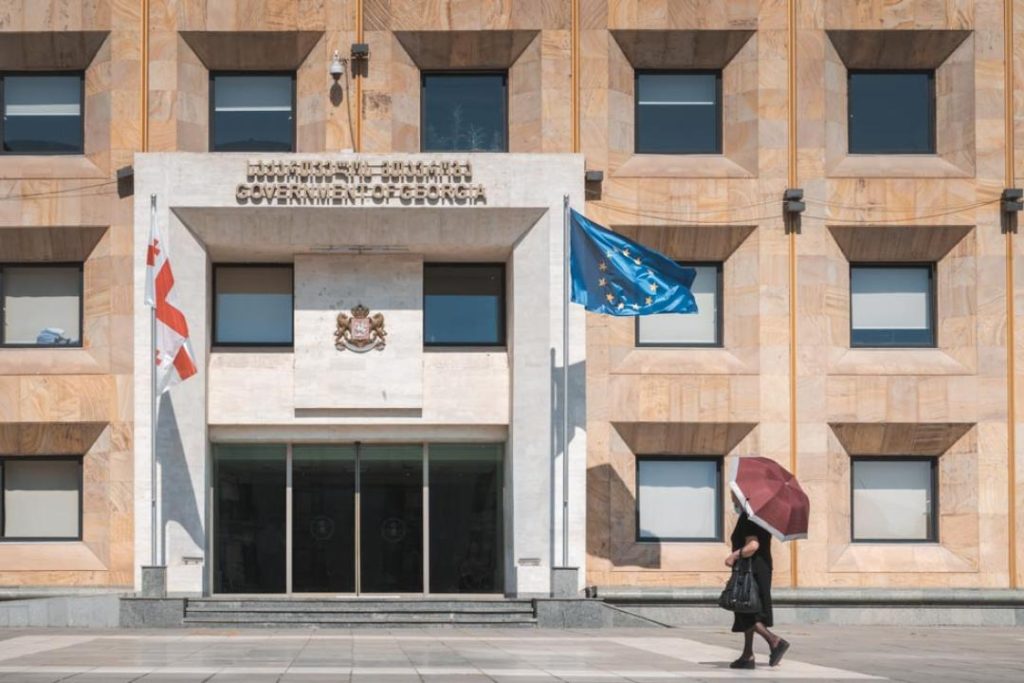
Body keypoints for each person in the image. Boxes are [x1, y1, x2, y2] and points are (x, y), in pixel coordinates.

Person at [725, 495, 790, 669]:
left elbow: (752, 546)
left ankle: (774, 641)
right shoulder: (761, 518)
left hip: (750, 571)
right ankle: (747, 655)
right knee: (749, 609)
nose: (732, 499)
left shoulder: (749, 518)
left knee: (745, 608)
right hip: (760, 569)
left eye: (734, 495)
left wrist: (734, 555)